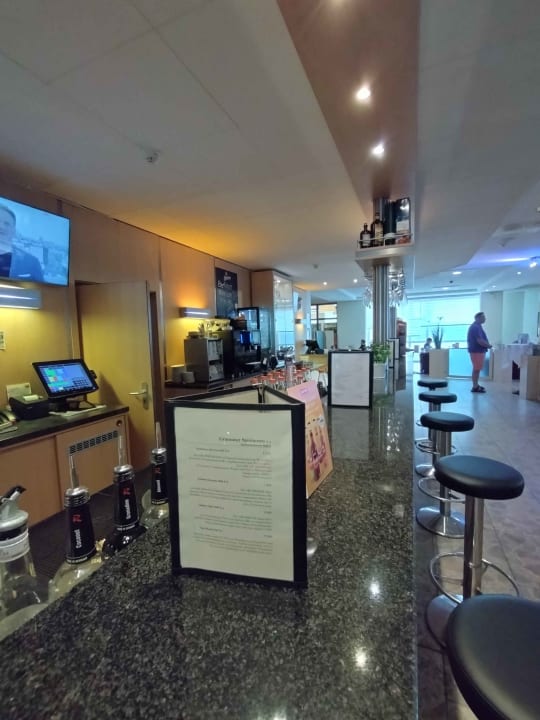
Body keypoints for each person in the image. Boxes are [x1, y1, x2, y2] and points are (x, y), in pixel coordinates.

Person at [0, 205, 44, 282]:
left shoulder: (32, 262)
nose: (1, 226)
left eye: (6, 224)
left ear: (13, 231)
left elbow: (42, 288)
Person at [467, 311, 492, 393]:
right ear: (478, 318)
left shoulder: (478, 326)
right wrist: (489, 345)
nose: (485, 319)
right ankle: (475, 387)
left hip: (478, 351)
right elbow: (479, 340)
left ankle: (476, 385)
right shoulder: (475, 327)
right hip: (477, 351)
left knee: (477, 369)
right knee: (476, 369)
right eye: (483, 317)